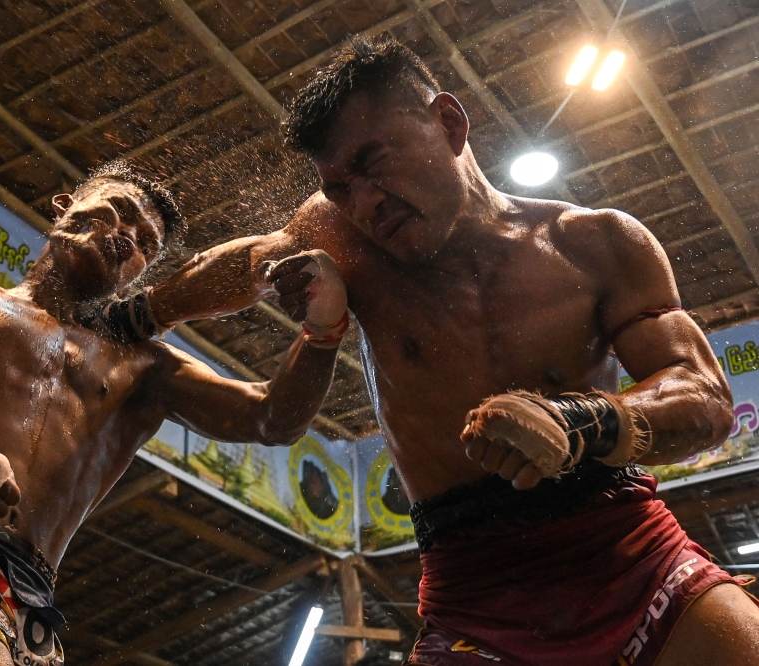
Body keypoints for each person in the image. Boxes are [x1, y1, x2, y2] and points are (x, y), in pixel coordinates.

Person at [142, 37, 759, 666]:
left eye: (374, 161)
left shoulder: (597, 243)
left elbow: (706, 398)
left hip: (633, 559)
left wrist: (584, 421)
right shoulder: (343, 241)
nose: (363, 204)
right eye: (339, 188)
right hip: (475, 602)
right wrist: (135, 315)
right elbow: (245, 265)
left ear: (449, 122)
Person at [0, 162, 349, 666]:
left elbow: (273, 419)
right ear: (65, 206)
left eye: (145, 244)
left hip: (27, 595)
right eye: (120, 211)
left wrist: (324, 332)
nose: (128, 236)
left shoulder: (146, 368)